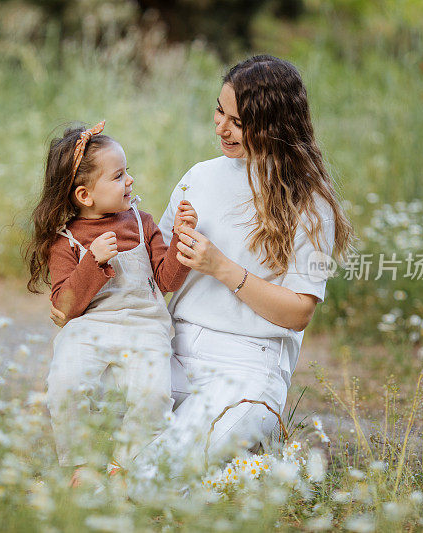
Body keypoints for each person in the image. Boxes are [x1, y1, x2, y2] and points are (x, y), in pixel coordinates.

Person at [53, 55, 353, 478]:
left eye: (237, 121)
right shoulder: (200, 176)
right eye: (219, 110)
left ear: (273, 125)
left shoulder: (310, 202)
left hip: (248, 365)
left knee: (152, 472)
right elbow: (157, 275)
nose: (220, 127)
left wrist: (222, 267)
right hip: (170, 348)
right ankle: (226, 462)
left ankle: (271, 467)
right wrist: (76, 291)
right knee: (82, 398)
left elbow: (298, 313)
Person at [26, 121, 198, 483]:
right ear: (85, 196)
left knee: (153, 394)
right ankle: (81, 465)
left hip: (144, 326)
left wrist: (182, 240)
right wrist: (92, 261)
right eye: (118, 176)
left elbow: (166, 280)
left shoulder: (142, 222)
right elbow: (65, 305)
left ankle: (125, 464)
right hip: (89, 328)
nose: (130, 181)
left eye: (127, 172)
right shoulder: (65, 241)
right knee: (65, 383)